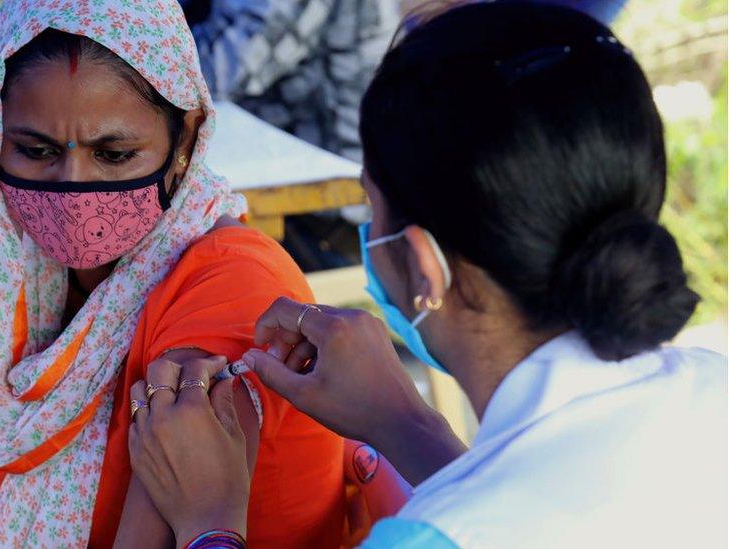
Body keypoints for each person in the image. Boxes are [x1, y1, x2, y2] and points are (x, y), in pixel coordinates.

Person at [125, 2, 728, 548]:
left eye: (370, 203)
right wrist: (409, 427)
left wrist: (210, 522)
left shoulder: (436, 537)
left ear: (423, 266)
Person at [0, 1, 348, 547]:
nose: (73, 187)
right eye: (35, 151)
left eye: (114, 154)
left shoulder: (233, 291)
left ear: (185, 139)